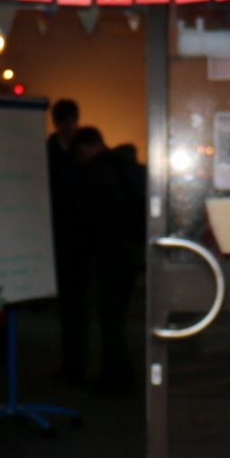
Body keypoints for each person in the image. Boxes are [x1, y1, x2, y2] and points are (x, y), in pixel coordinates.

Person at [69, 127, 146, 394]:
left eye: (80, 153)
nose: (79, 159)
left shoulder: (97, 173)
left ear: (91, 147)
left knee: (110, 320)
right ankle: (119, 375)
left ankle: (116, 378)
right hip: (129, 252)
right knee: (116, 319)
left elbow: (94, 218)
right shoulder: (124, 166)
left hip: (110, 254)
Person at [45, 98, 88, 384]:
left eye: (73, 121)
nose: (70, 127)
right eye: (65, 122)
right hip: (56, 234)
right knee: (69, 306)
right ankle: (70, 362)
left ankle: (77, 363)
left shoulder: (80, 149)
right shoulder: (48, 151)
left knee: (79, 305)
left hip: (80, 237)